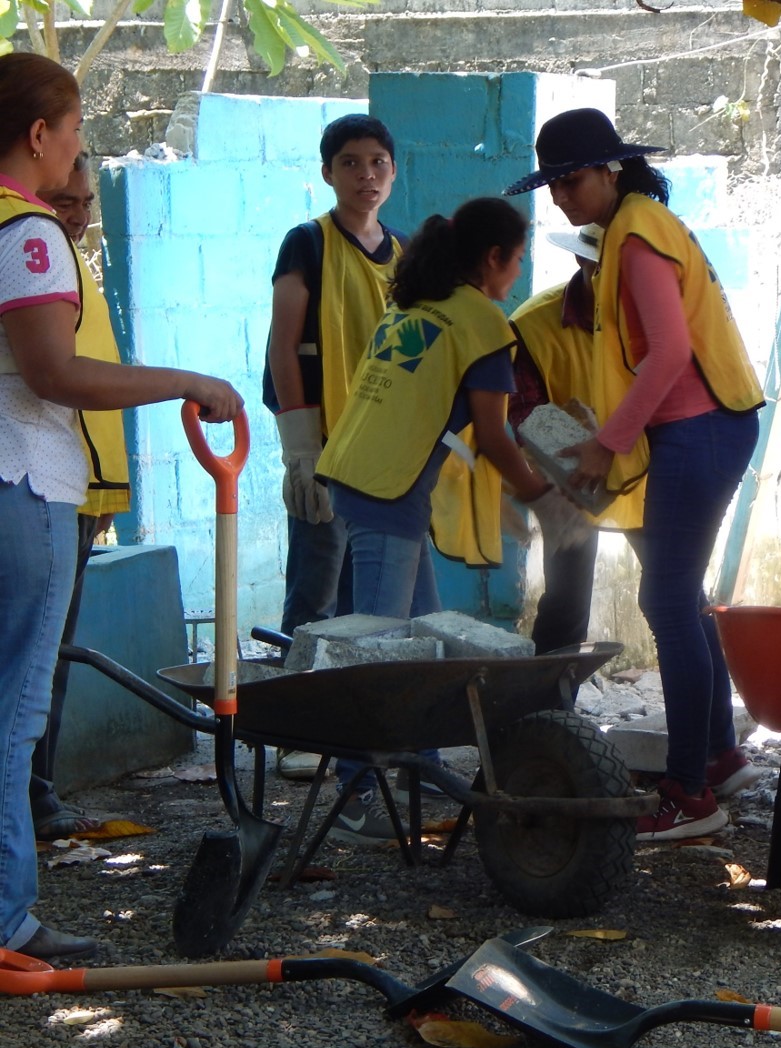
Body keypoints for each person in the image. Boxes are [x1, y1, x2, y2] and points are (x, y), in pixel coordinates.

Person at [1, 52, 243, 960]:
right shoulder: (27, 233)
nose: (75, 154)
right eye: (71, 134)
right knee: (16, 708)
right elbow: (53, 372)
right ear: (38, 135)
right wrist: (187, 379)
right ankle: (7, 921)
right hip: (21, 483)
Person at [504, 108, 766, 840]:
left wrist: (603, 444)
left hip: (699, 427)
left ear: (612, 170)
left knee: (670, 600)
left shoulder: (640, 231)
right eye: (552, 185)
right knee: (683, 597)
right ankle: (715, 759)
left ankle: (688, 794)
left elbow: (671, 351)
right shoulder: (631, 228)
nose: (561, 195)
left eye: (572, 179)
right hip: (693, 429)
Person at [315, 196, 551, 844]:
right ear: (493, 258)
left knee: (423, 631)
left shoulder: (419, 302)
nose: (518, 271)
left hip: (362, 475)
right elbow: (497, 438)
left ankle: (421, 767)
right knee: (380, 653)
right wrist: (543, 497)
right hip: (388, 489)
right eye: (518, 258)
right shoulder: (481, 321)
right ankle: (357, 796)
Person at [263, 113, 404, 781]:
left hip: (384, 458)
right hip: (325, 448)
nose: (366, 175)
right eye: (350, 162)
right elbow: (284, 345)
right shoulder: (308, 243)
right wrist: (299, 446)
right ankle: (297, 727)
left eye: (378, 162)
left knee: (365, 604)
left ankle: (349, 730)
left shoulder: (403, 254)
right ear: (328, 172)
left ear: (393, 171)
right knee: (315, 589)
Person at [30, 152, 133, 841]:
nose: (80, 216)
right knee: (37, 659)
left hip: (85, 488)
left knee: (53, 656)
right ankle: (32, 796)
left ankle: (38, 791)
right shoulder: (30, 255)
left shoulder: (69, 262)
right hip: (48, 486)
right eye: (68, 202)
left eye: (87, 203)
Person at [507, 224, 645, 653]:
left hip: (649, 472)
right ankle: (545, 713)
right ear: (583, 261)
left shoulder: (657, 319)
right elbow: (522, 411)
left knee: (674, 600)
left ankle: (703, 717)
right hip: (570, 476)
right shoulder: (530, 325)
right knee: (566, 605)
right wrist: (565, 467)